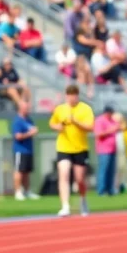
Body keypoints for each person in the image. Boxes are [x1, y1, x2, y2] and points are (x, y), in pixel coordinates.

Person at [49, 84, 95, 216]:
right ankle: (65, 205)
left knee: (79, 179)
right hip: (64, 147)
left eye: (74, 95)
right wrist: (58, 127)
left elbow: (90, 127)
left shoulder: (85, 109)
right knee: (63, 174)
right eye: (69, 95)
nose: (71, 98)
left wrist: (75, 122)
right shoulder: (60, 109)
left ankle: (83, 199)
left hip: (80, 148)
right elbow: (53, 123)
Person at [11, 100, 40, 200]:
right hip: (20, 150)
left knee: (27, 172)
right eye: (26, 108)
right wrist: (30, 133)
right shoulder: (17, 121)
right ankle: (18, 191)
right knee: (19, 170)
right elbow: (18, 136)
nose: (28, 110)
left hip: (29, 150)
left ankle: (27, 191)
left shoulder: (29, 120)